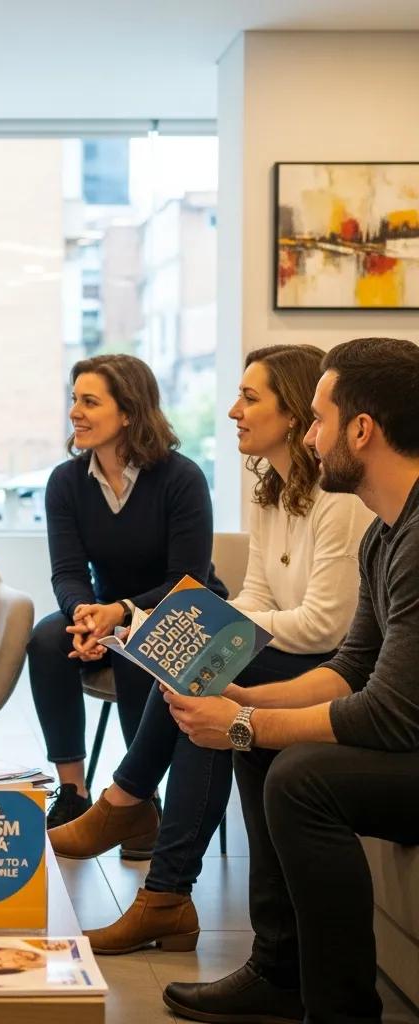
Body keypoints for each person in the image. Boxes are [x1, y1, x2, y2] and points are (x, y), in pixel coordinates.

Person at [49, 344, 374, 953]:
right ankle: (160, 887)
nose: (232, 411)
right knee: (198, 673)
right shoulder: (272, 488)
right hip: (290, 646)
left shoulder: (340, 499)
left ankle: (132, 820)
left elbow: (329, 625)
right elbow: (252, 594)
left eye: (250, 399)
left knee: (204, 667)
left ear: (297, 413)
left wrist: (222, 639)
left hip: (334, 665)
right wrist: (211, 632)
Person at [158, 337, 419, 1024]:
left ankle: (338, 1010)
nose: (309, 435)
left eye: (319, 420)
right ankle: (279, 972)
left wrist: (243, 723)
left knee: (302, 777)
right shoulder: (386, 535)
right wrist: (242, 700)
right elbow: (346, 672)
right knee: (270, 749)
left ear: (361, 431)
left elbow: (387, 714)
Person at [28, 354, 225, 839]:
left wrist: (116, 615)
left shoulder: (181, 478)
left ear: (129, 412)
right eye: (74, 399)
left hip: (188, 611)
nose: (75, 411)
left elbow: (187, 579)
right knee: (46, 640)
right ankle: (73, 794)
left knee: (137, 642)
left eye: (90, 401)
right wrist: (82, 616)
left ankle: (141, 799)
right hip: (107, 610)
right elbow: (69, 572)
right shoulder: (66, 482)